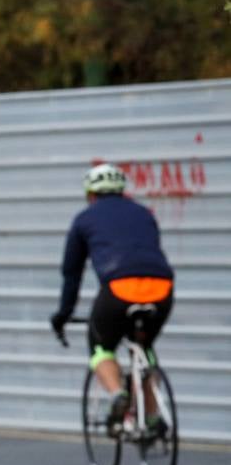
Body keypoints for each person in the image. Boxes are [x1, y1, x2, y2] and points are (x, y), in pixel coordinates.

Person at [50, 163, 174, 432]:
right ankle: (153, 418)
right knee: (144, 348)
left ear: (90, 194)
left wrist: (63, 314)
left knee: (101, 348)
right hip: (162, 287)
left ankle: (117, 393)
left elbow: (72, 273)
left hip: (119, 289)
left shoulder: (84, 219)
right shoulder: (144, 213)